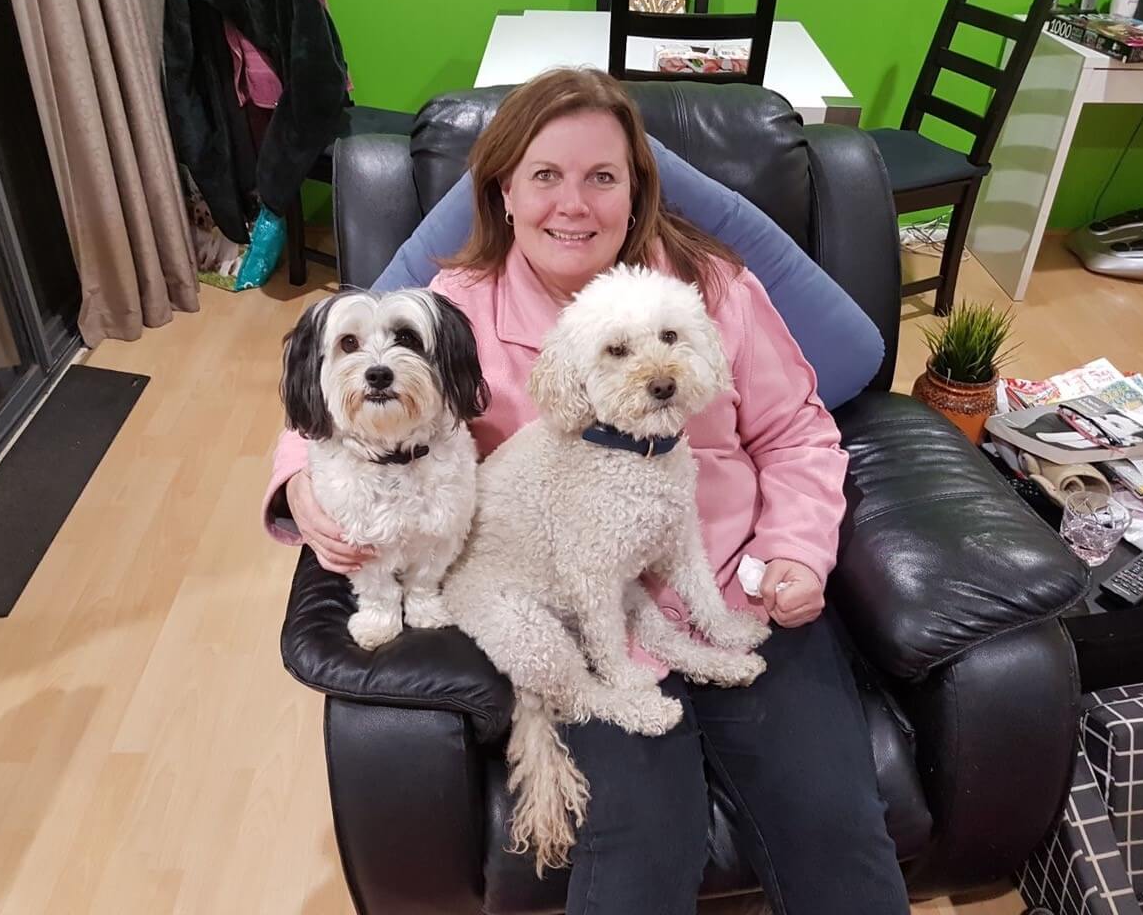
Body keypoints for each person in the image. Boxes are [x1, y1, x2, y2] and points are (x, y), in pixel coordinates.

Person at [263, 68, 909, 915]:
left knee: (838, 832)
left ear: (637, 190)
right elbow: (346, 380)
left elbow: (796, 431)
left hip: (733, 583)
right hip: (578, 614)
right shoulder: (450, 311)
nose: (574, 205)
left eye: (602, 177)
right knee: (642, 850)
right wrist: (296, 482)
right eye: (546, 177)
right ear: (501, 191)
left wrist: (795, 552)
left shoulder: (710, 288)